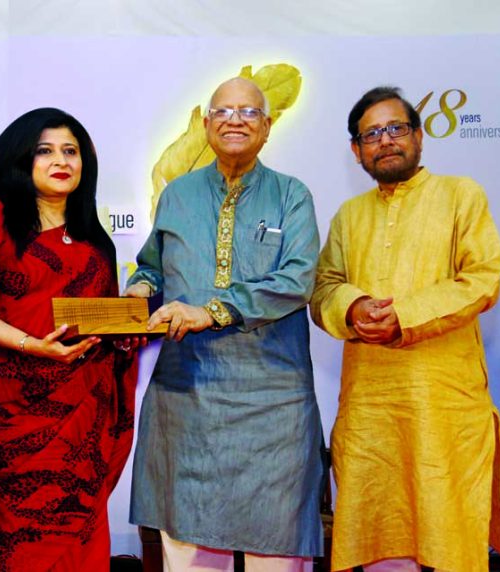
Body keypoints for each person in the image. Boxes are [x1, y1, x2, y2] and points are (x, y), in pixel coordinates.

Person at [310, 86, 500, 572]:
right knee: (379, 534)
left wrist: (404, 315)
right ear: (356, 150)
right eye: (372, 134)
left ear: (419, 137)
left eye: (396, 129)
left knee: (449, 536)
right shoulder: (348, 216)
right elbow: (323, 289)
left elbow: (482, 279)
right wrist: (354, 306)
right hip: (370, 414)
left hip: (443, 408)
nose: (385, 141)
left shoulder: (460, 195)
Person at [125, 78, 324, 571]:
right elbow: (153, 264)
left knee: (274, 547)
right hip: (187, 397)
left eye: (249, 112)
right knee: (188, 548)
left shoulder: (291, 196)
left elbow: (297, 279)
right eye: (224, 111)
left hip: (272, 400)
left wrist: (209, 311)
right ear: (208, 123)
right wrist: (140, 290)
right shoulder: (178, 195)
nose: (236, 120)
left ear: (268, 127)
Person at [0, 107, 139, 571]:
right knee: (19, 543)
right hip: (17, 419)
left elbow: (99, 324)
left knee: (80, 543)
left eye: (71, 151)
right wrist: (33, 345)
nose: (62, 161)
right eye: (46, 150)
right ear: (20, 159)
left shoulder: (96, 242)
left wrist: (129, 331)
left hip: (85, 420)